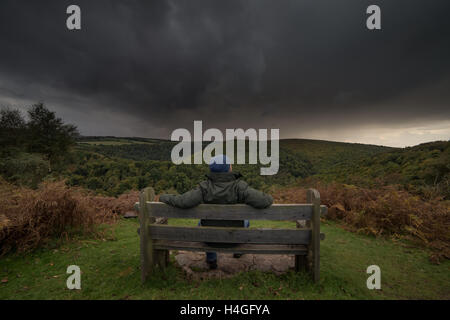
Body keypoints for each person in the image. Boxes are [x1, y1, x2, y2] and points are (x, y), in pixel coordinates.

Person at [159, 154, 273, 269]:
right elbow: (265, 201)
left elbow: (182, 201)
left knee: (201, 223)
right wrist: (269, 197)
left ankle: (211, 259)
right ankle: (238, 252)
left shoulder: (204, 187)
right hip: (234, 240)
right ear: (229, 168)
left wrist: (163, 197)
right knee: (246, 221)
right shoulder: (239, 187)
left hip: (210, 239)